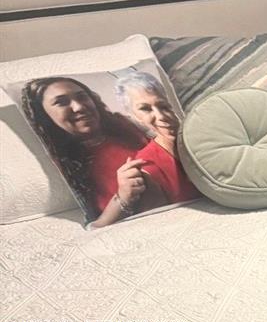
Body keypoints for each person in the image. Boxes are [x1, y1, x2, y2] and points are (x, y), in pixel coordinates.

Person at [20, 77, 164, 227]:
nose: (79, 107)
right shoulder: (59, 166)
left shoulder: (128, 124)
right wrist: (123, 198)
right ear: (44, 116)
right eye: (61, 102)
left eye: (82, 97)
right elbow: (94, 227)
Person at [114, 70, 197, 204]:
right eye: (145, 109)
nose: (161, 116)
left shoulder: (201, 136)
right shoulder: (145, 168)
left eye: (163, 106)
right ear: (135, 117)